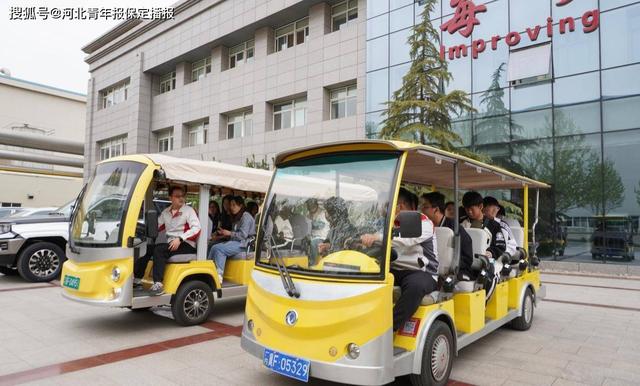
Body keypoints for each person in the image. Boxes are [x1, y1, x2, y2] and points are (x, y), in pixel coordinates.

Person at [361, 188, 439, 332]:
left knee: (415, 287)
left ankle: (387, 330)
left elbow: (405, 240)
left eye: (385, 205)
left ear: (399, 206)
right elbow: (376, 236)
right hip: (395, 270)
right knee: (366, 275)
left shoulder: (423, 222)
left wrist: (376, 238)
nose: (382, 209)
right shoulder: (390, 223)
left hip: (421, 272)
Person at [133, 186, 201, 295]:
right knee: (146, 248)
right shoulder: (166, 212)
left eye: (182, 196)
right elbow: (156, 227)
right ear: (170, 198)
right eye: (177, 196)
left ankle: (158, 285)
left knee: (159, 250)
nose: (181, 198)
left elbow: (196, 228)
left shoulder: (189, 210)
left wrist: (180, 239)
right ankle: (137, 279)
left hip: (186, 244)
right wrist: (139, 228)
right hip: (171, 244)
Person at [461, 191, 506, 300]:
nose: (469, 212)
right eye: (467, 209)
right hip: (467, 259)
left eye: (472, 209)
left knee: (489, 272)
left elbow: (500, 246)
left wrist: (491, 252)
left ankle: (483, 301)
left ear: (481, 206)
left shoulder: (494, 225)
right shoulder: (462, 224)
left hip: (487, 260)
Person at [421, 192, 476, 281]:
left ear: (436, 209)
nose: (422, 210)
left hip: (455, 270)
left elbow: (467, 257)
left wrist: (451, 266)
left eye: (425, 207)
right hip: (429, 267)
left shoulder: (455, 227)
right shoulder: (423, 226)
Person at [208, 196, 255, 283]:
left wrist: (229, 233)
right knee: (214, 246)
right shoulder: (237, 216)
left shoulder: (246, 217)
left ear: (240, 206)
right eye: (231, 205)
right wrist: (224, 233)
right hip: (236, 242)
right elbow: (234, 233)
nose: (231, 207)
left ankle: (219, 276)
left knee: (219, 249)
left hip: (244, 244)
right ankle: (208, 270)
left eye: (234, 205)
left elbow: (243, 235)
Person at [306, 198, 329, 265]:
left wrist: (311, 222)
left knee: (313, 243)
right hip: (312, 236)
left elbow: (319, 225)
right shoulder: (309, 214)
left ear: (315, 205)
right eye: (308, 207)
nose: (309, 208)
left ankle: (312, 264)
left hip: (322, 237)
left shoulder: (323, 213)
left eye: (310, 206)